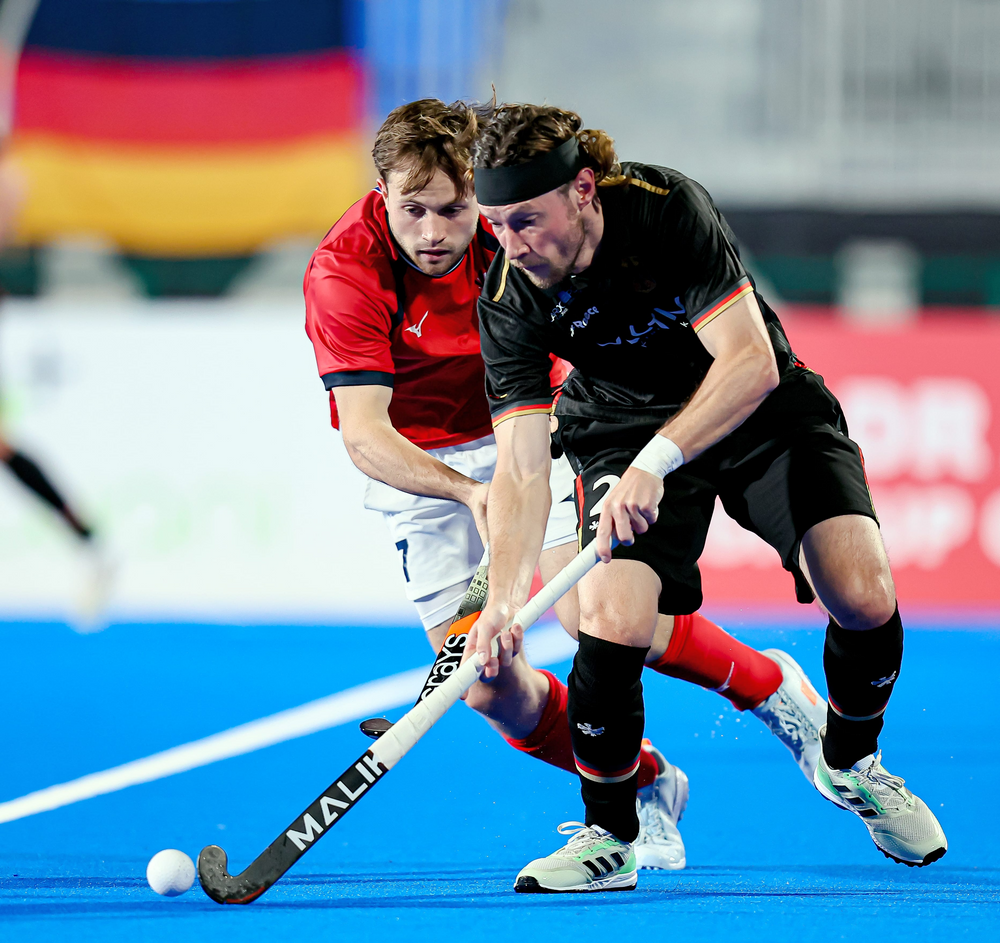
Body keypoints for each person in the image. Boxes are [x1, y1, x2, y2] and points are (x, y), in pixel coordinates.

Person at [303, 99, 827, 873]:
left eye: (454, 209)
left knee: (595, 619)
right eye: (413, 210)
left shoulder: (512, 228)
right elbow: (364, 436)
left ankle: (767, 685)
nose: (435, 232)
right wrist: (469, 493)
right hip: (425, 469)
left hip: (534, 423)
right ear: (381, 193)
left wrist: (523, 482)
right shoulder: (345, 270)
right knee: (488, 687)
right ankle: (647, 780)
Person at [471, 103, 947, 893]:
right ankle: (610, 836)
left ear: (582, 189)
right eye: (495, 225)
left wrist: (660, 461)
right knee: (610, 619)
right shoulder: (509, 296)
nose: (511, 245)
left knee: (863, 593)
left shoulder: (663, 209)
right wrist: (503, 601)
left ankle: (851, 759)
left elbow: (750, 361)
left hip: (757, 406)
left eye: (526, 220)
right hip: (618, 425)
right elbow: (521, 471)